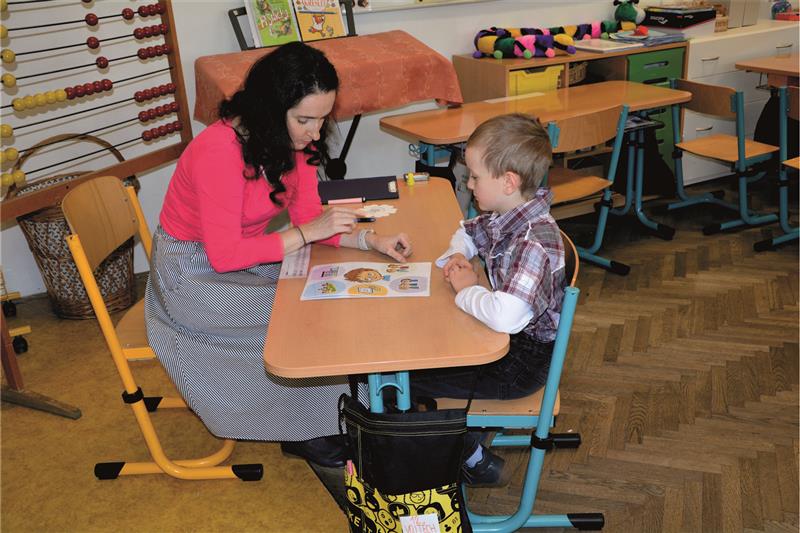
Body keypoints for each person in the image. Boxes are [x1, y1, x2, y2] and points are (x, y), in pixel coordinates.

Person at [144, 42, 412, 466]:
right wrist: (306, 233)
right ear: (270, 110)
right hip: (190, 274)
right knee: (302, 319)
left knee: (322, 303)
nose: (315, 133)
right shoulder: (218, 149)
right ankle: (307, 426)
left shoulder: (294, 141)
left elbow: (309, 218)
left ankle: (332, 413)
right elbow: (226, 256)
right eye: (304, 120)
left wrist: (368, 241)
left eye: (323, 119)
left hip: (246, 257)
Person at [410, 113, 565, 487]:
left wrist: (466, 289)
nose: (469, 183)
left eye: (475, 177)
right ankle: (467, 434)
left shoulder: (534, 242)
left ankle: (471, 458)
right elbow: (467, 232)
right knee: (420, 348)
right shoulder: (509, 214)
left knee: (406, 379)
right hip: (505, 345)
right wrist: (457, 255)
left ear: (508, 182)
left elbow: (506, 317)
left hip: (519, 365)